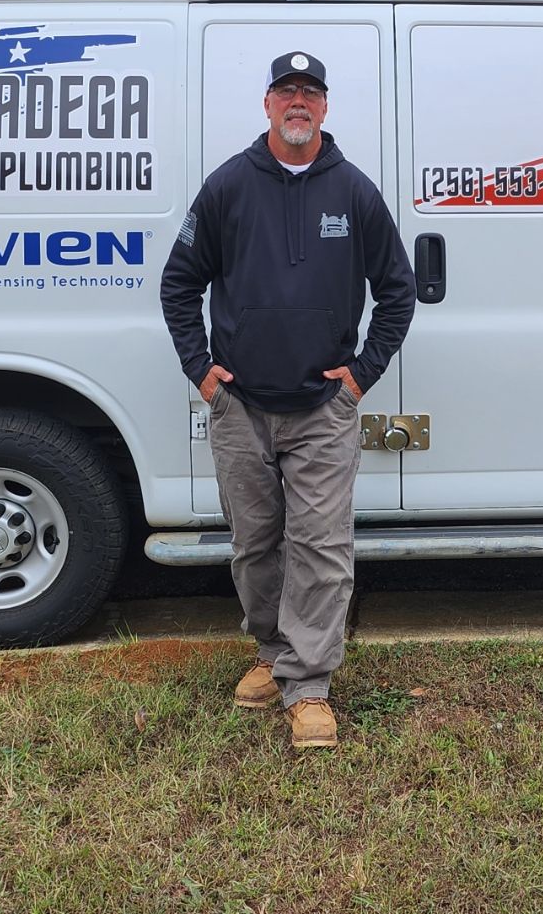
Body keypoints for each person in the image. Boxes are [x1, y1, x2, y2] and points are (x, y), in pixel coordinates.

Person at [160, 51, 416, 749]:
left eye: (310, 92)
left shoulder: (355, 191)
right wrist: (203, 373)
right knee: (255, 543)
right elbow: (178, 284)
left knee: (323, 546)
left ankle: (309, 687)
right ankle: (272, 654)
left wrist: (360, 375)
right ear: (267, 104)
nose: (297, 103)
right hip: (240, 406)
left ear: (325, 108)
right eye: (286, 91)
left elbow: (399, 290)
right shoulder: (229, 188)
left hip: (322, 410)